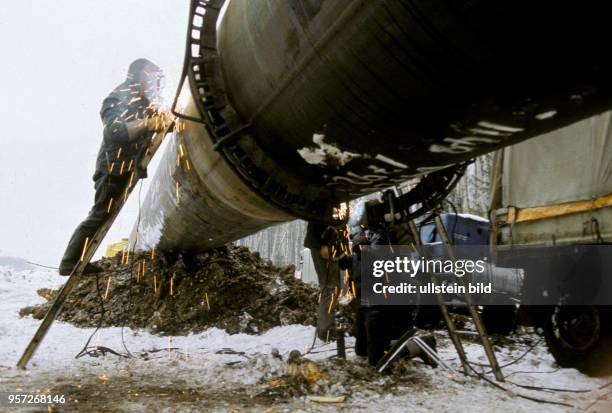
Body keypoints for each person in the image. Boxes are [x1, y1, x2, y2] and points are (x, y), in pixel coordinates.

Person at [58, 58, 171, 276]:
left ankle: (75, 260)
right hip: (113, 169)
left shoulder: (145, 102)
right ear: (139, 77)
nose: (155, 83)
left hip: (126, 168)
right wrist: (148, 123)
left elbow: (159, 124)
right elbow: (115, 131)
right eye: (152, 77)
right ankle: (69, 263)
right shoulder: (118, 97)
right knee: (100, 214)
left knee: (102, 214)